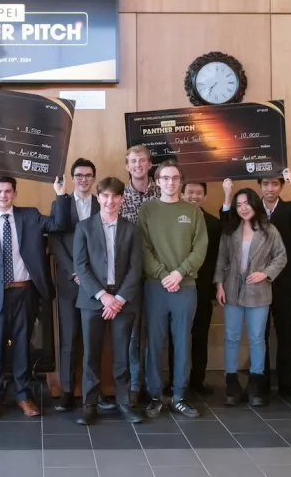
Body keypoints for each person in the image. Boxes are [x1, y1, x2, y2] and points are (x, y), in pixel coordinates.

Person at [0, 175, 69, 419]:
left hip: (25, 292)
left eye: (8, 191)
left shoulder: (30, 216)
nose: (3, 195)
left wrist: (60, 195)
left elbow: (59, 224)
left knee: (23, 346)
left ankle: (24, 396)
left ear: (14, 194)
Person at [222, 169, 291, 399]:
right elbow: (227, 226)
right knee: (258, 333)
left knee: (284, 331)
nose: (270, 188)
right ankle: (259, 381)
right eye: (265, 184)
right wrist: (227, 195)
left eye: (275, 184)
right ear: (259, 186)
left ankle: (285, 383)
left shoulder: (290, 207)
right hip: (253, 282)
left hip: (283, 279)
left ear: (281, 186)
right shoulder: (251, 207)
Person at [138, 159, 207, 419]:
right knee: (154, 343)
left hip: (185, 287)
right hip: (155, 287)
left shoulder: (193, 212)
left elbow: (199, 249)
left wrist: (179, 273)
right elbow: (143, 248)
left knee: (182, 343)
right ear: (157, 182)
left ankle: (179, 395)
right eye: (165, 178)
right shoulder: (147, 210)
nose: (170, 182)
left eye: (175, 178)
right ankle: (155, 396)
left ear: (181, 181)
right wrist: (163, 275)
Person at [73, 177, 143, 425]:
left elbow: (136, 269)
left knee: (123, 354)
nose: (110, 201)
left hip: (123, 301)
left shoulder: (132, 229)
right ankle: (89, 405)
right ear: (98, 197)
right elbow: (80, 267)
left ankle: (124, 403)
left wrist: (119, 299)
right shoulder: (84, 227)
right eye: (105, 196)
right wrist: (104, 297)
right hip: (93, 301)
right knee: (91, 355)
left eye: (115, 196)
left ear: (122, 199)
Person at [49, 158, 117, 412]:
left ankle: (95, 391)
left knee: (94, 339)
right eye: (79, 175)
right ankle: (67, 390)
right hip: (70, 282)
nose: (83, 179)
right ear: (72, 177)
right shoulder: (61, 203)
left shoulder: (103, 205)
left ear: (94, 177)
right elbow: (55, 241)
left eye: (88, 175)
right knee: (69, 337)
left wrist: (92, 277)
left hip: (98, 285)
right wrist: (75, 272)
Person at [215, 188, 287, 407]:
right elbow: (221, 259)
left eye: (247, 203)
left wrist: (265, 273)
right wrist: (219, 285)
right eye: (239, 205)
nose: (243, 208)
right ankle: (232, 382)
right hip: (232, 289)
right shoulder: (230, 230)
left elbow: (281, 256)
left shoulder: (269, 230)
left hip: (259, 290)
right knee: (231, 337)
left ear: (255, 204)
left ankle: (256, 382)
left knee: (257, 338)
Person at [166, 181, 222, 396]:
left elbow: (218, 259)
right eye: (190, 192)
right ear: (182, 193)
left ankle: (198, 379)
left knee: (200, 335)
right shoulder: (171, 219)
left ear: (205, 197)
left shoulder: (214, 224)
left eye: (199, 193)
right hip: (176, 287)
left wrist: (216, 286)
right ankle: (173, 380)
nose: (194, 196)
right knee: (175, 336)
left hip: (203, 289)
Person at [119, 145, 159, 406]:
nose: (137, 165)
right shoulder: (119, 196)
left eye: (142, 161)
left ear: (150, 164)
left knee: (155, 332)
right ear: (127, 166)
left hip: (160, 274)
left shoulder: (165, 190)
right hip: (130, 276)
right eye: (133, 161)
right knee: (133, 334)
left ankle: (154, 384)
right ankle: (135, 383)